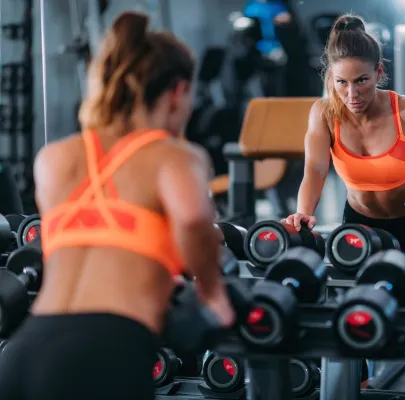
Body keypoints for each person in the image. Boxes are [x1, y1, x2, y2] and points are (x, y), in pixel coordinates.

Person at [0, 11, 234, 400]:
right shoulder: (174, 156)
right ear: (177, 92)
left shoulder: (55, 159)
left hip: (26, 350)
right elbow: (193, 220)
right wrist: (213, 294)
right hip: (106, 351)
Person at [283, 13, 405, 393]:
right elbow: (314, 170)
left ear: (379, 72)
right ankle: (357, 390)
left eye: (362, 80)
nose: (352, 94)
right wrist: (304, 211)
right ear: (330, 79)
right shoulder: (325, 113)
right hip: (361, 224)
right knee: (353, 314)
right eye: (342, 83)